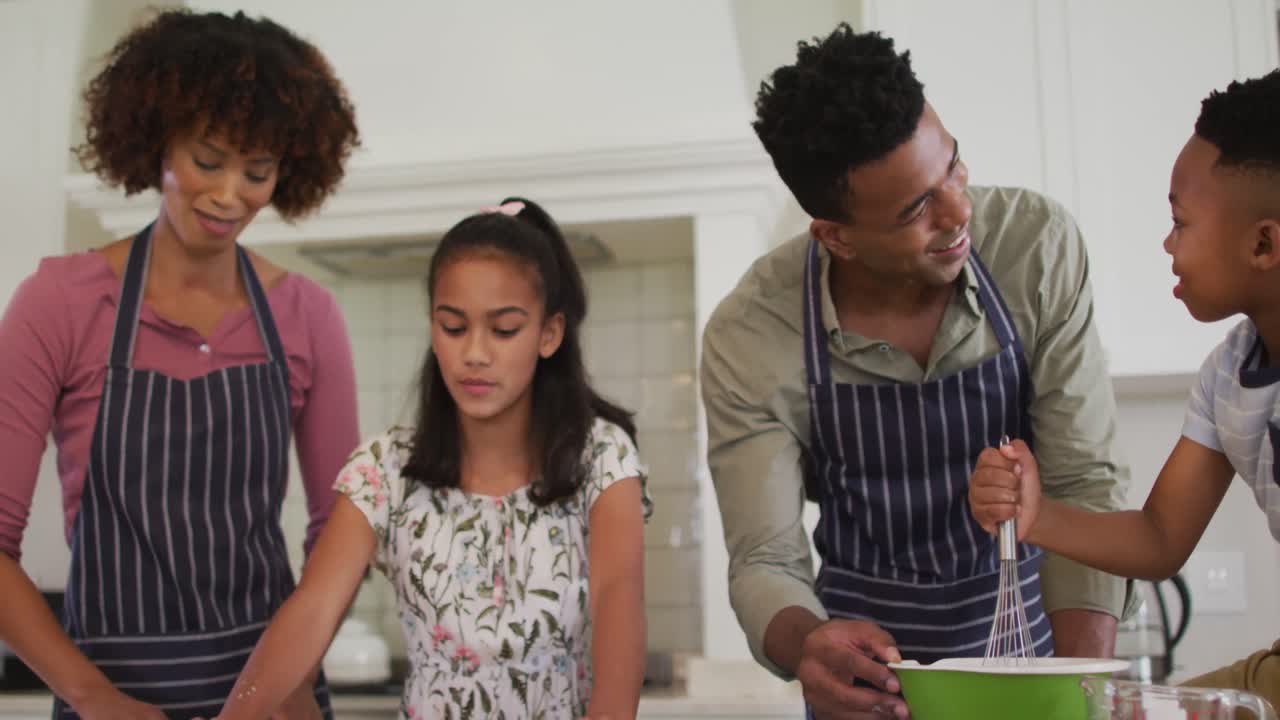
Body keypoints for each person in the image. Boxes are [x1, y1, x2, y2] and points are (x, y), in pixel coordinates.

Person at [700, 24, 1131, 718]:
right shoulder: (753, 333)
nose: (960, 211)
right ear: (836, 236)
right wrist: (812, 647)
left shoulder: (1036, 248)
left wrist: (1078, 691)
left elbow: (1085, 483)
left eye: (952, 166)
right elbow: (767, 561)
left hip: (1030, 655)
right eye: (916, 209)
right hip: (868, 689)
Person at [0, 9, 361, 719]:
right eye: (208, 160)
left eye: (257, 172)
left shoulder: (307, 315)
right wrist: (92, 697)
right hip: (113, 697)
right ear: (156, 139)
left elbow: (341, 533)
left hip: (277, 700)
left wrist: (287, 684)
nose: (230, 196)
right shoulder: (59, 305)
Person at [210, 198, 651, 720]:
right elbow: (311, 612)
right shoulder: (384, 469)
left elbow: (619, 602)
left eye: (504, 330)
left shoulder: (601, 459)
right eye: (454, 326)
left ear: (548, 334)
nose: (475, 354)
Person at [970, 70, 1280, 709]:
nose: (1167, 244)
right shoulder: (1226, 379)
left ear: (1263, 243)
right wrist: (1038, 516)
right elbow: (1160, 538)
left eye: (1180, 222)